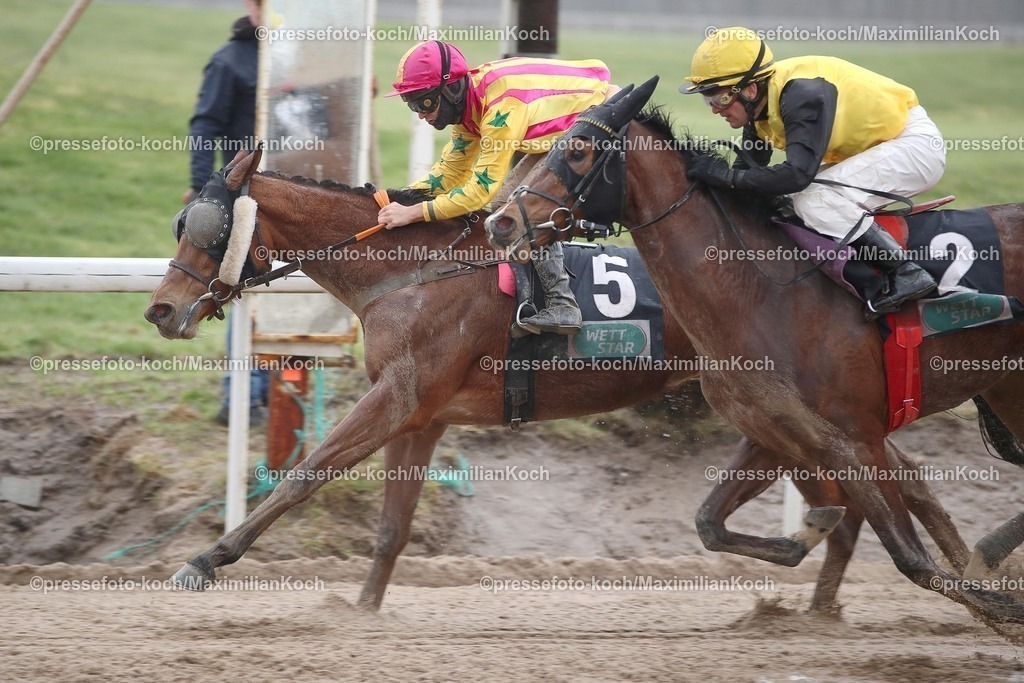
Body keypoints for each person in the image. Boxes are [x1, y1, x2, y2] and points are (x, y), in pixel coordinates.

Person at [681, 27, 944, 319]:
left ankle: (906, 272)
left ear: (749, 89)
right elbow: (750, 174)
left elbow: (797, 175)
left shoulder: (801, 94)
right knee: (789, 199)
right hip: (881, 146)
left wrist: (728, 178)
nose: (715, 111)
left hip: (913, 147)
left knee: (812, 200)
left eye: (719, 100)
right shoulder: (759, 103)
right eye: (708, 101)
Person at [377, 41, 614, 335]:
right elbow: (450, 172)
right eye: (412, 104)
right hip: (566, 130)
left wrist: (414, 213)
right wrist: (395, 198)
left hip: (596, 120)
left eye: (424, 102)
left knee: (513, 208)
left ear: (451, 89)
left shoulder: (499, 108)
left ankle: (562, 303)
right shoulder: (468, 107)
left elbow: (479, 190)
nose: (420, 114)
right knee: (505, 203)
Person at [183, 0, 268, 424]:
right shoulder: (230, 61)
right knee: (242, 288)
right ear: (251, 7)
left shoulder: (298, 58)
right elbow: (205, 126)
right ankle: (241, 395)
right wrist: (203, 191)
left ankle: (275, 390)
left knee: (284, 288)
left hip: (292, 198)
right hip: (242, 199)